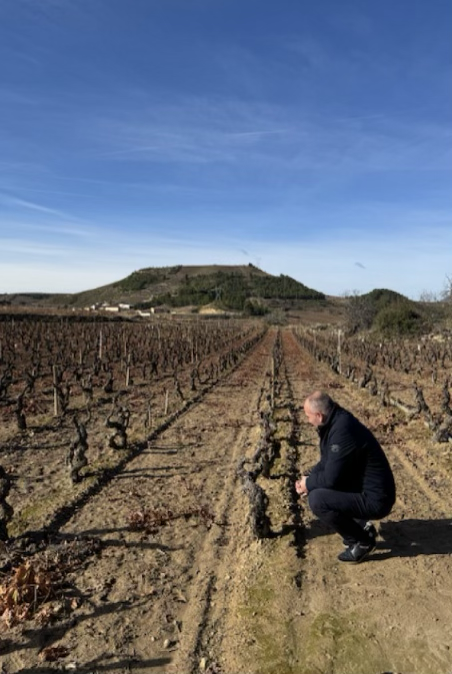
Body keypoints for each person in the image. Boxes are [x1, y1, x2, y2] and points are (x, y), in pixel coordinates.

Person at [295, 391, 396, 563]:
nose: (307, 420)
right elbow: (328, 462)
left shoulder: (342, 430)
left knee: (317, 499)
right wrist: (309, 476)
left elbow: (331, 478)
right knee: (318, 485)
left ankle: (362, 542)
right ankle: (362, 527)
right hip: (363, 487)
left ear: (319, 415)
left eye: (308, 416)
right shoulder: (336, 422)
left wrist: (309, 484)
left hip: (376, 499)